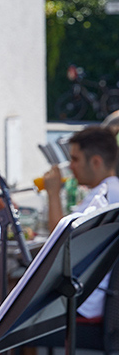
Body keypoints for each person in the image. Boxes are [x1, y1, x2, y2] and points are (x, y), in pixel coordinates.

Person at [42, 126, 119, 319]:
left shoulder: (102, 198)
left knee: (3, 298)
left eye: (75, 159)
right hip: (103, 298)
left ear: (95, 162)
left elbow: (59, 244)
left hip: (88, 300)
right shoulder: (111, 191)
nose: (71, 166)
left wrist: (53, 193)